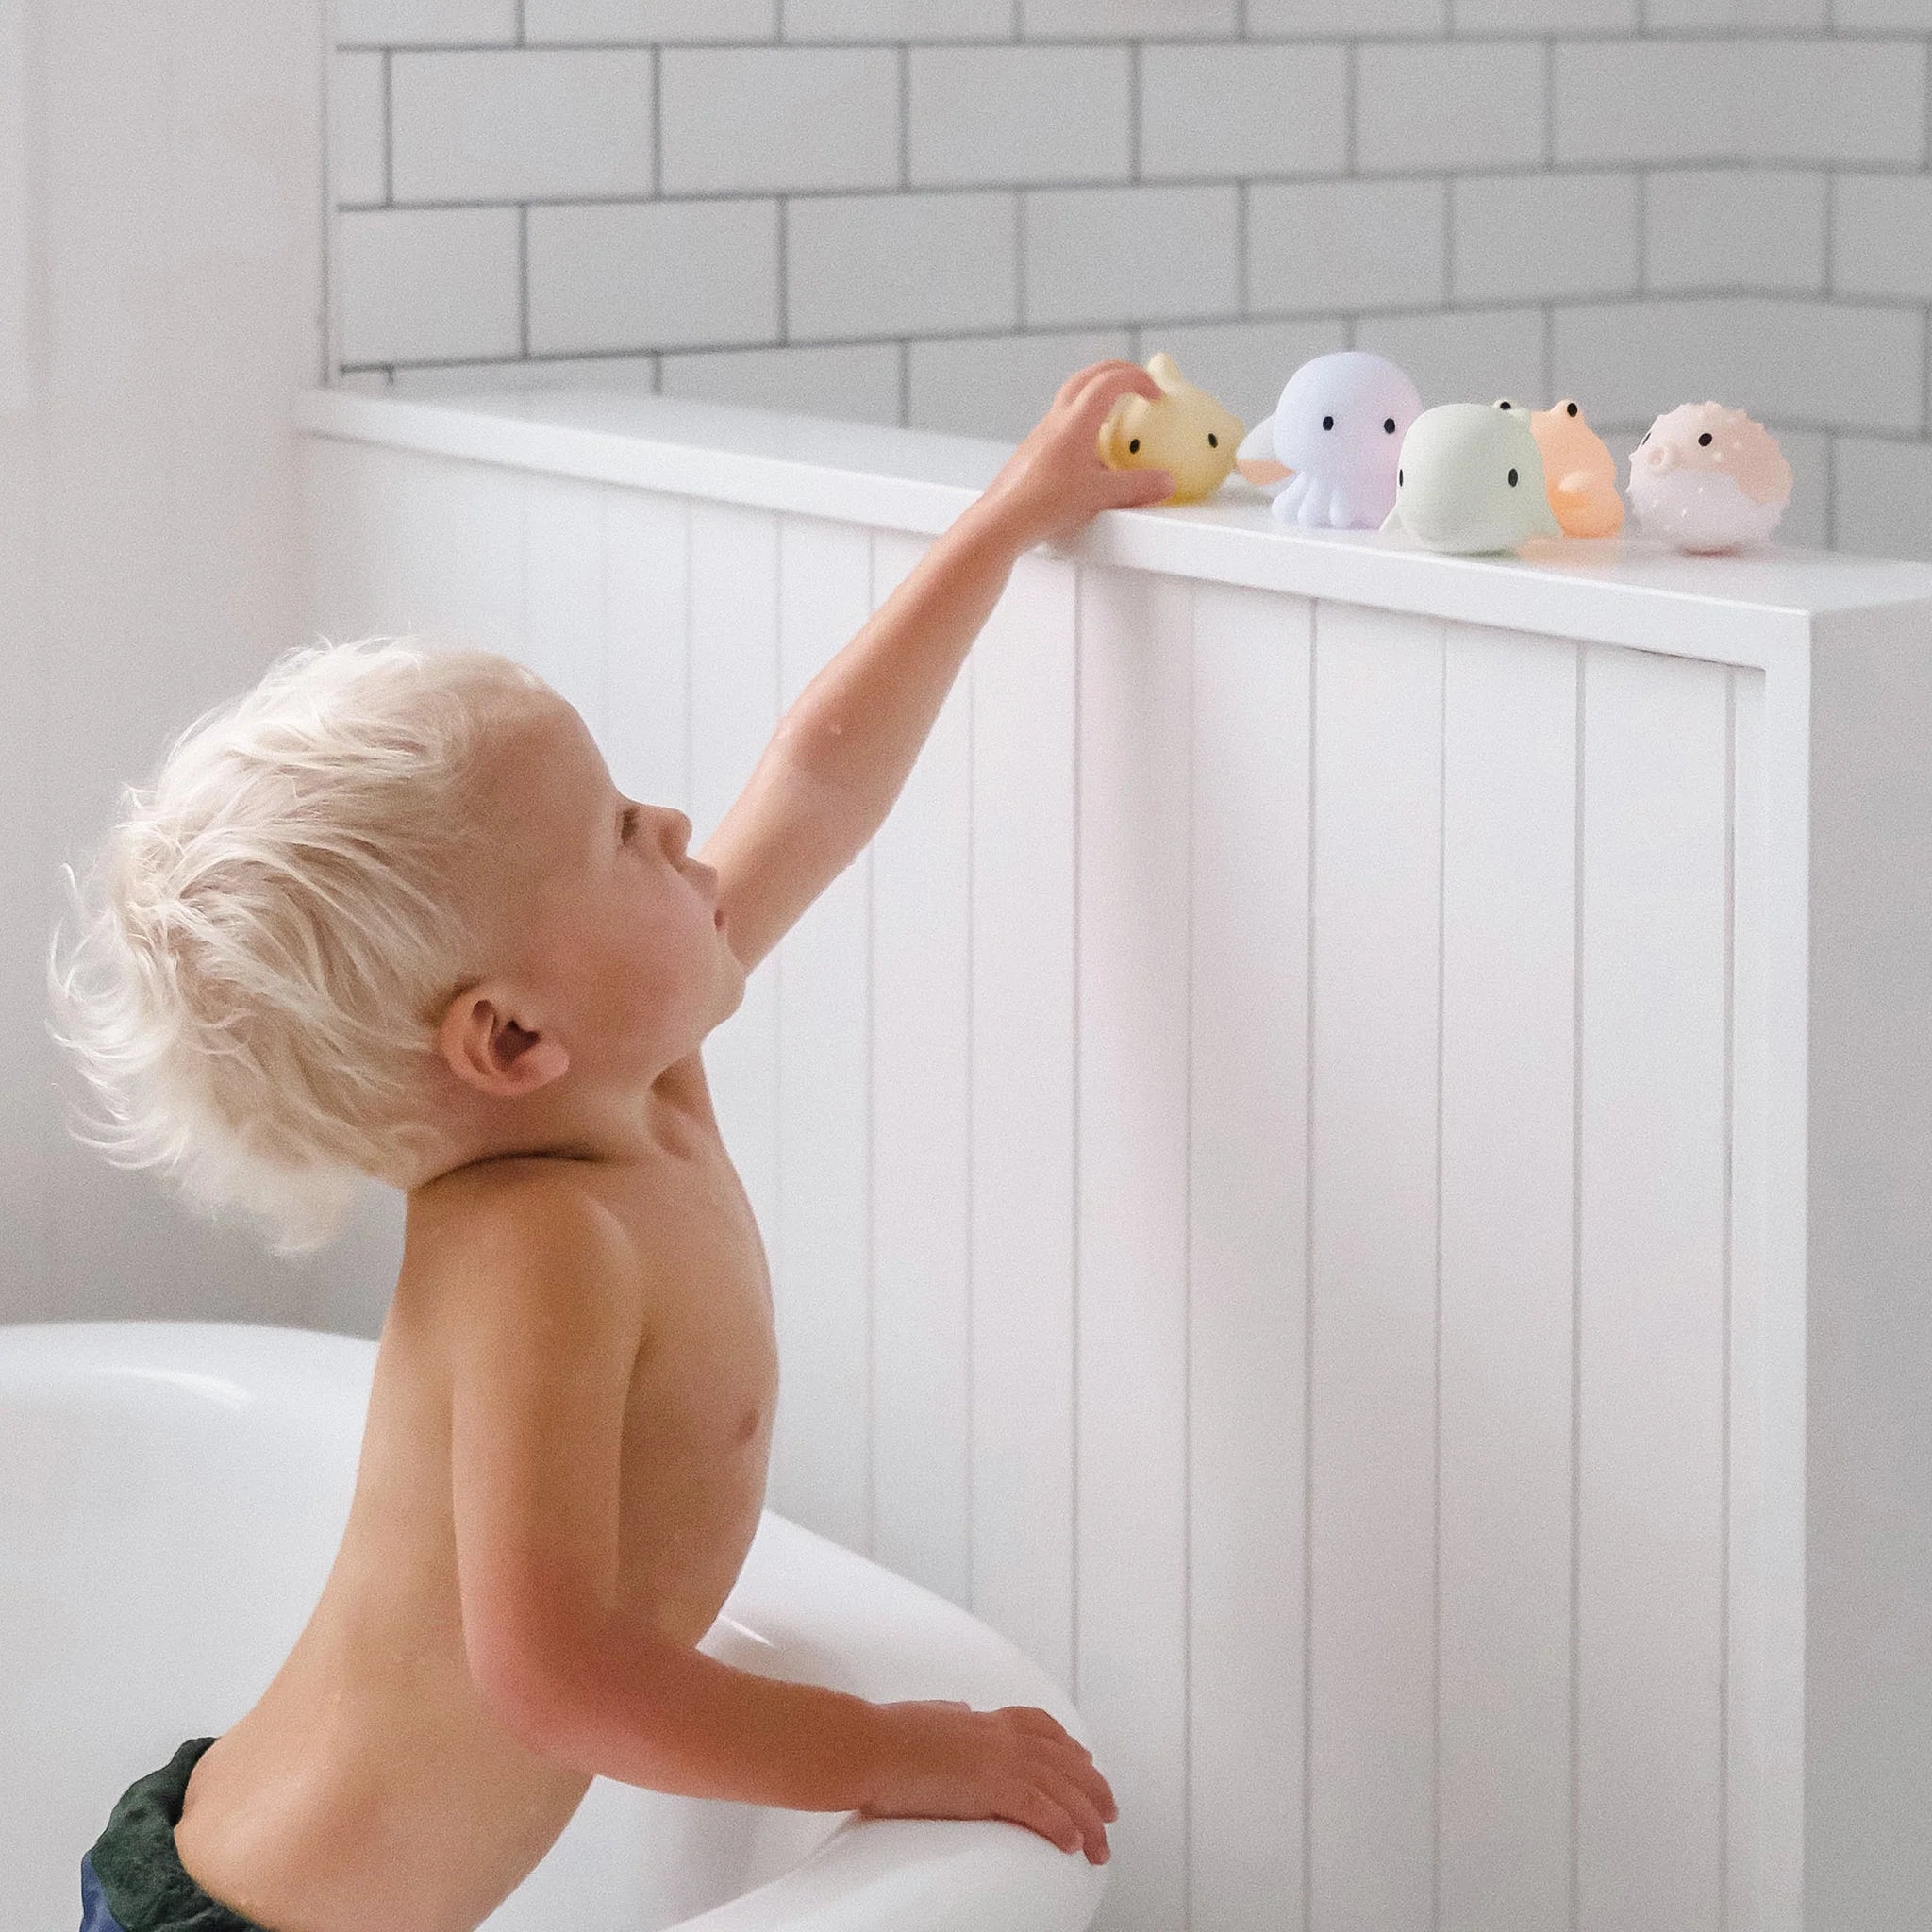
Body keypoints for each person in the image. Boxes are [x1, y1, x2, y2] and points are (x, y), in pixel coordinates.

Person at [51, 360, 1174, 1932]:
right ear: (511, 1040)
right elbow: (558, 1677)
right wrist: (897, 1750)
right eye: (614, 834)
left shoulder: (636, 1081)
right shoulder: (541, 1249)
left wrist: (1006, 520)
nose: (668, 826)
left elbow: (821, 780)